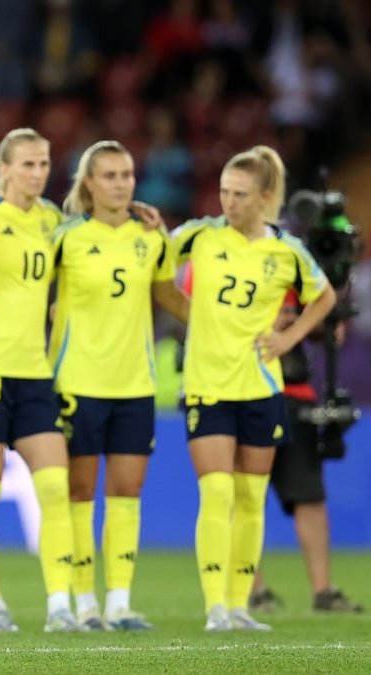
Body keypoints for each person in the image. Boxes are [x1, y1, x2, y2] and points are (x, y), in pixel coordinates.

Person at [172, 145, 335, 631]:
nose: (229, 202)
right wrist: (191, 315)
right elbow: (155, 267)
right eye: (224, 192)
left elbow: (324, 296)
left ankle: (240, 605)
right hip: (207, 385)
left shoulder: (287, 250)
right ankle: (215, 607)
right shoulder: (200, 235)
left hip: (261, 387)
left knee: (249, 497)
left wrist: (288, 338)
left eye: (240, 194)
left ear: (264, 198)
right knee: (217, 492)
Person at [52, 140, 189, 631]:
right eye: (109, 175)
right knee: (80, 492)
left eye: (127, 174)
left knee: (127, 491)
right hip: (78, 381)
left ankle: (119, 602)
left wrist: (222, 325)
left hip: (135, 383)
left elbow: (169, 295)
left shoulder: (152, 238)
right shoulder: (65, 237)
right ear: (89, 183)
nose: (120, 183)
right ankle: (84, 602)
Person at [0, 128, 77, 633]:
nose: (38, 172)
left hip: (35, 375)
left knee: (55, 488)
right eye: (27, 164)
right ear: (3, 168)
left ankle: (60, 606)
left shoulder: (53, 221)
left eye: (44, 163)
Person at [249, 298, 363, 614]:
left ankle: (323, 591)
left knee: (310, 496)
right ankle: (251, 590)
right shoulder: (220, 268)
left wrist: (302, 324)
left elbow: (330, 328)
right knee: (244, 496)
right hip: (242, 390)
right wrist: (268, 323)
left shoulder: (299, 275)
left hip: (295, 394)